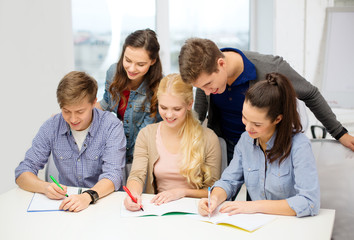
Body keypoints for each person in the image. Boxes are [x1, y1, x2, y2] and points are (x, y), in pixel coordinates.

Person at [179, 38, 354, 163]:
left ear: (221, 64)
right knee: (222, 202)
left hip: (264, 149)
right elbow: (200, 113)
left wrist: (339, 133)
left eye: (208, 85)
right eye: (201, 88)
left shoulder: (270, 68)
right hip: (228, 146)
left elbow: (311, 94)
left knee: (256, 206)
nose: (207, 92)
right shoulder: (206, 78)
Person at [198, 72, 320, 218]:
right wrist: (214, 199)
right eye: (244, 117)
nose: (247, 128)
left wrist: (255, 206)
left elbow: (309, 202)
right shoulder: (246, 140)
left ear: (277, 119)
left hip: (289, 226)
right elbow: (228, 181)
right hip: (256, 226)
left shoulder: (299, 146)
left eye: (257, 124)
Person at [15, 71, 126, 212]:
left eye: (80, 112)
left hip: (103, 203)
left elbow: (113, 175)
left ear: (93, 103)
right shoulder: (52, 126)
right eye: (66, 111)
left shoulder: (111, 126)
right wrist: (45, 187)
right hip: (67, 205)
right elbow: (23, 172)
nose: (73, 119)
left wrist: (87, 197)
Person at [124, 74, 221, 211]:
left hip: (195, 211)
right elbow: (137, 176)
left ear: (189, 104)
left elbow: (214, 190)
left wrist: (181, 192)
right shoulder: (147, 135)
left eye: (176, 109)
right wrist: (133, 194)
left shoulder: (209, 138)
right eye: (163, 108)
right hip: (158, 209)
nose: (169, 115)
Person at [96, 29, 163, 166]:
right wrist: (72, 114)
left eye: (140, 64)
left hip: (143, 156)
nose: (131, 69)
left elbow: (144, 137)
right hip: (117, 150)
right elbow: (106, 104)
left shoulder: (159, 87)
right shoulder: (113, 73)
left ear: (153, 61)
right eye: (127, 60)